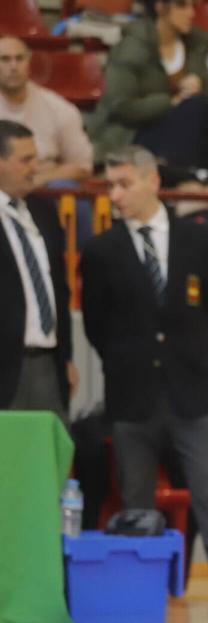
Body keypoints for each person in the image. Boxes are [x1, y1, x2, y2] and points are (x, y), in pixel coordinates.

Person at [80, 145, 208, 619]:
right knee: (136, 498)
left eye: (124, 184)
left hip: (191, 388)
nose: (116, 195)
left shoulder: (196, 239)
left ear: (152, 181)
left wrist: (181, 354)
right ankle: (138, 594)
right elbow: (96, 325)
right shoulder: (102, 249)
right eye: (111, 186)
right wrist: (133, 361)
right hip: (132, 392)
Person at [0, 122, 75, 423]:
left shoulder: (43, 211)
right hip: (5, 364)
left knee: (50, 463)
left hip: (48, 365)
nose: (35, 168)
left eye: (36, 159)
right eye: (25, 160)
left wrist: (66, 356)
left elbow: (59, 288)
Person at [88, 0, 208, 169]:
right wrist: (170, 102)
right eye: (182, 6)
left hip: (182, 132)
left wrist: (201, 87)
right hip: (132, 134)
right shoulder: (131, 47)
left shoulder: (196, 45)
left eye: (193, 6)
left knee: (197, 108)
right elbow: (121, 106)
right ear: (160, 7)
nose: (191, 13)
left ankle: (191, 178)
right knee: (192, 109)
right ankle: (185, 180)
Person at [0, 37, 93, 190]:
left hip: (44, 192)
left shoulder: (60, 109)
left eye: (19, 58)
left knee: (65, 187)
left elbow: (82, 167)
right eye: (4, 59)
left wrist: (39, 179)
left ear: (29, 62)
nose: (13, 66)